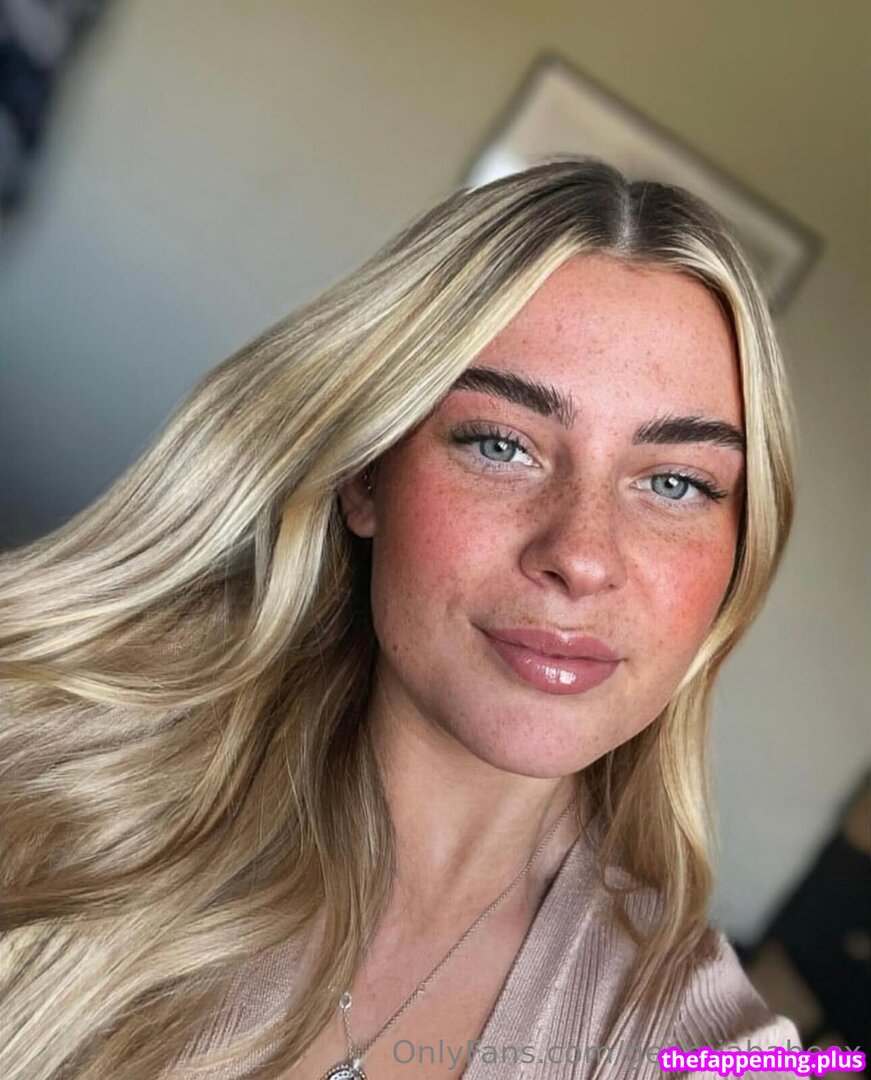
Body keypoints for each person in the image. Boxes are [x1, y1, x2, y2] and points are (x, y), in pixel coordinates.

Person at [0, 157, 801, 1080]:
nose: (581, 556)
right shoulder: (45, 782)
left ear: (740, 550)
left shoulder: (716, 1052)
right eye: (500, 444)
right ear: (366, 475)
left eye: (675, 483)